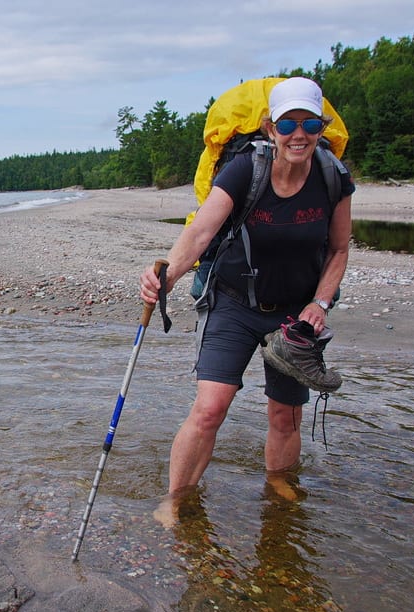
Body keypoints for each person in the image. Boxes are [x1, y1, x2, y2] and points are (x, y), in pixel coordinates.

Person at [140, 77, 354, 505]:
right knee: (210, 409)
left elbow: (338, 248)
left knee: (285, 415)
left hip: (295, 315)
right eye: (287, 124)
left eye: (310, 125)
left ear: (321, 129)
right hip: (233, 304)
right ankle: (176, 500)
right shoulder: (244, 170)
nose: (299, 134)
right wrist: (170, 274)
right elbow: (202, 230)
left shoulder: (333, 176)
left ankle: (277, 488)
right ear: (270, 128)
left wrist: (320, 302)